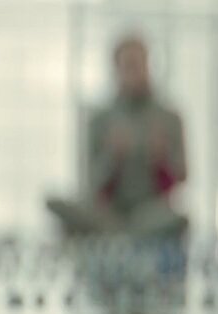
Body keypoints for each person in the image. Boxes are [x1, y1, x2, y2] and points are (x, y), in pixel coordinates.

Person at [47, 34, 187, 239]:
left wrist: (161, 158)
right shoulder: (99, 119)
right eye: (130, 65)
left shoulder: (169, 118)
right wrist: (112, 157)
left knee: (178, 219)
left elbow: (182, 177)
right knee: (54, 203)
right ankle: (122, 233)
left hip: (150, 213)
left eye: (142, 64)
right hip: (107, 212)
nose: (137, 71)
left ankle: (119, 234)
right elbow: (90, 184)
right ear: (116, 69)